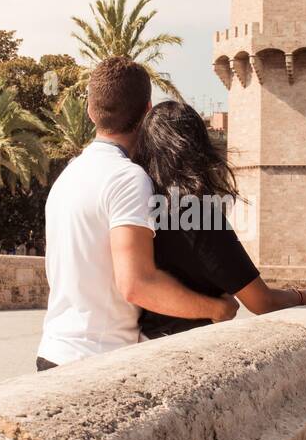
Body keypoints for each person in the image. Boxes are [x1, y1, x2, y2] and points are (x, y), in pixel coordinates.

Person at [36, 58, 238, 370]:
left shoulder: (68, 176)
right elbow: (136, 283)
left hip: (52, 352)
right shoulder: (127, 178)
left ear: (91, 112)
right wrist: (215, 308)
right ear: (147, 112)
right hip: (97, 362)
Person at [132, 100, 306, 339]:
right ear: (197, 146)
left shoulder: (138, 202)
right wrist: (302, 296)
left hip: (143, 341)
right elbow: (262, 301)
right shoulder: (197, 213)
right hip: (188, 342)